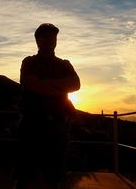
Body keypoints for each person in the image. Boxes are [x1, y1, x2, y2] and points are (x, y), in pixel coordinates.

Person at [16, 23, 80, 189]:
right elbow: (30, 83)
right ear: (37, 40)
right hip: (31, 125)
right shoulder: (28, 62)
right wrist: (60, 87)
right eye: (45, 36)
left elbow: (76, 84)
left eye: (53, 36)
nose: (50, 39)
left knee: (54, 176)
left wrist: (45, 84)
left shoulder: (65, 63)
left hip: (57, 127)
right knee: (26, 175)